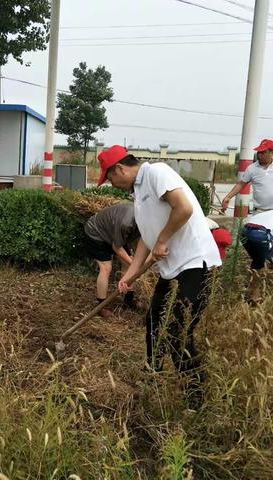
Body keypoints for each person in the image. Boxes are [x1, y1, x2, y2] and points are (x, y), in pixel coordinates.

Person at [98, 145, 222, 408]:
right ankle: (152, 372)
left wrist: (163, 240)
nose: (111, 184)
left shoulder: (156, 172)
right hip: (172, 270)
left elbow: (184, 209)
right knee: (154, 322)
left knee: (177, 331)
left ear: (120, 168)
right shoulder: (139, 193)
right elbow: (146, 239)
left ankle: (196, 397)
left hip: (194, 264)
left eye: (110, 178)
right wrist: (128, 276)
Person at [84, 203, 140, 316]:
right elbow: (116, 247)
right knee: (106, 268)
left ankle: (128, 300)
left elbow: (137, 243)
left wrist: (134, 262)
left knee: (128, 264)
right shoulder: (126, 223)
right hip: (96, 232)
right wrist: (135, 265)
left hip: (113, 233)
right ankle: (101, 306)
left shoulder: (146, 219)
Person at [221, 139, 273, 214]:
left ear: (271, 153)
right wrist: (228, 197)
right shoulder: (252, 168)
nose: (260, 155)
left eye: (263, 152)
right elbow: (241, 184)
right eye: (259, 152)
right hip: (259, 212)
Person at [241, 210, 273, 302]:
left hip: (244, 232)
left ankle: (252, 294)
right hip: (261, 234)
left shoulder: (268, 213)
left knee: (258, 262)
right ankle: (255, 293)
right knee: (263, 262)